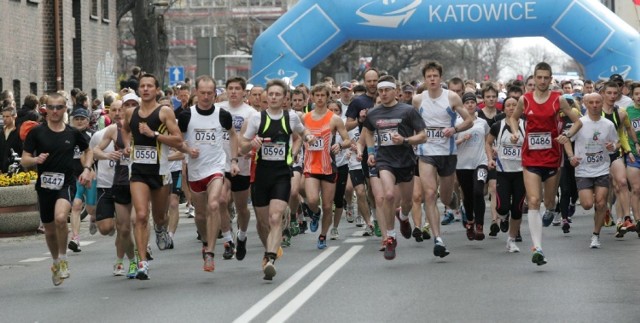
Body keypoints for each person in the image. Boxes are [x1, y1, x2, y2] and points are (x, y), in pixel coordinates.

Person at [508, 62, 581, 266]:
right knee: (533, 200)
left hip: (552, 157)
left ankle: (552, 208)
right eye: (538, 77)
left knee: (548, 202)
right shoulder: (525, 100)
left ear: (550, 79)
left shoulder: (559, 100)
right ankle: (537, 248)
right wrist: (515, 133)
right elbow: (513, 119)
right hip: (530, 157)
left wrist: (566, 135)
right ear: (534, 78)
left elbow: (578, 122)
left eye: (545, 78)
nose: (541, 81)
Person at [240, 79, 312, 280]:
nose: (273, 97)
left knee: (275, 217)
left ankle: (271, 258)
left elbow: (302, 131)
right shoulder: (256, 119)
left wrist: (308, 137)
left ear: (284, 98)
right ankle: (267, 251)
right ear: (266, 97)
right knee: (263, 223)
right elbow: (242, 146)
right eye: (270, 94)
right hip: (261, 174)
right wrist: (251, 144)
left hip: (282, 173)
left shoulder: (291, 117)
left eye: (277, 95)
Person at [21, 93, 93, 286]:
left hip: (66, 184)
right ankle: (55, 261)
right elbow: (24, 158)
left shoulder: (72, 133)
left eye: (58, 107)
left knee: (61, 218)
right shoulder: (37, 132)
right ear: (45, 109)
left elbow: (88, 150)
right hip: (44, 187)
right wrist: (35, 160)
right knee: (49, 230)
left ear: (64, 109)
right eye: (51, 107)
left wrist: (87, 169)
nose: (54, 111)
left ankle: (63, 259)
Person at [121, 73, 184, 280]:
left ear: (157, 90)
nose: (146, 89)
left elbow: (178, 140)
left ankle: (160, 229)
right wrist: (128, 144)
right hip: (138, 171)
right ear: (138, 90)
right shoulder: (131, 112)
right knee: (140, 215)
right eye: (142, 86)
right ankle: (142, 262)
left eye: (150, 86)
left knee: (159, 216)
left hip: (160, 172)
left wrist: (154, 135)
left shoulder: (164, 112)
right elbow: (124, 129)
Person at [360, 75, 426, 260]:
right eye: (380, 91)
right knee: (388, 195)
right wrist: (371, 152)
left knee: (407, 202)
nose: (383, 93)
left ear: (396, 91)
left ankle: (404, 218)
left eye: (387, 90)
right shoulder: (374, 113)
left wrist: (405, 140)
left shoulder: (408, 111)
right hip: (385, 160)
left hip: (405, 160)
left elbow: (423, 135)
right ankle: (390, 237)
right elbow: (369, 133)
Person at [178, 75, 237, 272]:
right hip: (195, 171)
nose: (205, 97)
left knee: (215, 204)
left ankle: (210, 252)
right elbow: (178, 140)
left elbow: (233, 135)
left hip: (216, 168)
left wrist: (234, 160)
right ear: (196, 92)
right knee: (201, 215)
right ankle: (205, 240)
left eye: (209, 93)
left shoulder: (222, 114)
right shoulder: (187, 116)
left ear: (215, 94)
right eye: (202, 93)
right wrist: (187, 150)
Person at [413, 61, 473, 258]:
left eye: (435, 76)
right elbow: (413, 123)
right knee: (429, 194)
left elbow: (468, 120)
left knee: (445, 197)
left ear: (440, 78)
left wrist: (454, 129)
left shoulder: (451, 97)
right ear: (424, 79)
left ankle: (456, 205)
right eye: (429, 76)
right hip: (426, 152)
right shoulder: (418, 99)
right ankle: (438, 239)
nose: (432, 79)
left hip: (447, 153)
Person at [563, 93, 618, 248]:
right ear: (585, 104)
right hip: (583, 169)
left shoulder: (608, 124)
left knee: (601, 204)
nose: (594, 105)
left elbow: (616, 142)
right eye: (591, 102)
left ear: (602, 103)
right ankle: (596, 209)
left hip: (601, 168)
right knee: (587, 204)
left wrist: (612, 147)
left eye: (597, 102)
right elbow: (566, 139)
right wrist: (571, 156)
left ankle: (595, 235)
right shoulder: (579, 122)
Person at [91, 99, 137, 277]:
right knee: (122, 228)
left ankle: (140, 259)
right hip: (118, 182)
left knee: (138, 220)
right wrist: (107, 155)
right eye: (116, 109)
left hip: (140, 179)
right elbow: (94, 151)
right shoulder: (111, 131)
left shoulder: (144, 127)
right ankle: (132, 259)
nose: (119, 113)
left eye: (124, 108)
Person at [302, 83, 351, 249]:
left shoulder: (334, 119)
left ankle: (323, 235)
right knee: (313, 199)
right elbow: (297, 137)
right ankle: (315, 213)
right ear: (312, 97)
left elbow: (347, 139)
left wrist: (341, 146)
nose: (320, 98)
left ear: (327, 96)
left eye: (323, 95)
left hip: (328, 166)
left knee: (328, 205)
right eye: (317, 95)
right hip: (310, 165)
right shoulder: (305, 118)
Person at [217, 76, 254, 261]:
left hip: (241, 165)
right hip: (220, 162)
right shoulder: (218, 109)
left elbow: (255, 137)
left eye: (237, 89)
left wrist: (250, 150)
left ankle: (242, 236)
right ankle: (227, 240)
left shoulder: (251, 113)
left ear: (244, 92)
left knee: (242, 208)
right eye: (230, 88)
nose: (233, 92)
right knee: (221, 201)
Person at [486, 96, 525, 252]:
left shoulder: (526, 125)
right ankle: (503, 218)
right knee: (502, 208)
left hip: (521, 173)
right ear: (503, 109)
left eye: (514, 105)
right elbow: (488, 142)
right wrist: (490, 158)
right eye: (508, 105)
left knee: (517, 208)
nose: (511, 108)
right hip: (502, 172)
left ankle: (511, 239)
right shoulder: (497, 126)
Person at [455, 92, 490, 241]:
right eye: (467, 102)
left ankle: (480, 225)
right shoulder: (457, 122)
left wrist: (490, 155)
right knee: (468, 195)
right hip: (462, 164)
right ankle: (470, 221)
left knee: (478, 191)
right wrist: (462, 139)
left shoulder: (482, 122)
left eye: (472, 102)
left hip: (480, 162)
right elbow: (450, 145)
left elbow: (488, 140)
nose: (470, 104)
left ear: (476, 104)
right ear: (463, 105)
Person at [625, 82, 640, 236]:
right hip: (634, 154)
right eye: (636, 94)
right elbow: (623, 132)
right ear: (632, 96)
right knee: (636, 189)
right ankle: (638, 221)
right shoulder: (627, 111)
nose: (639, 96)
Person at [1, 107, 22, 173]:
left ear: (14, 116)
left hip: (15, 170)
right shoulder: (1, 132)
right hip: (2, 170)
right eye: (3, 116)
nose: (4, 119)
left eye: (7, 116)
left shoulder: (19, 132)